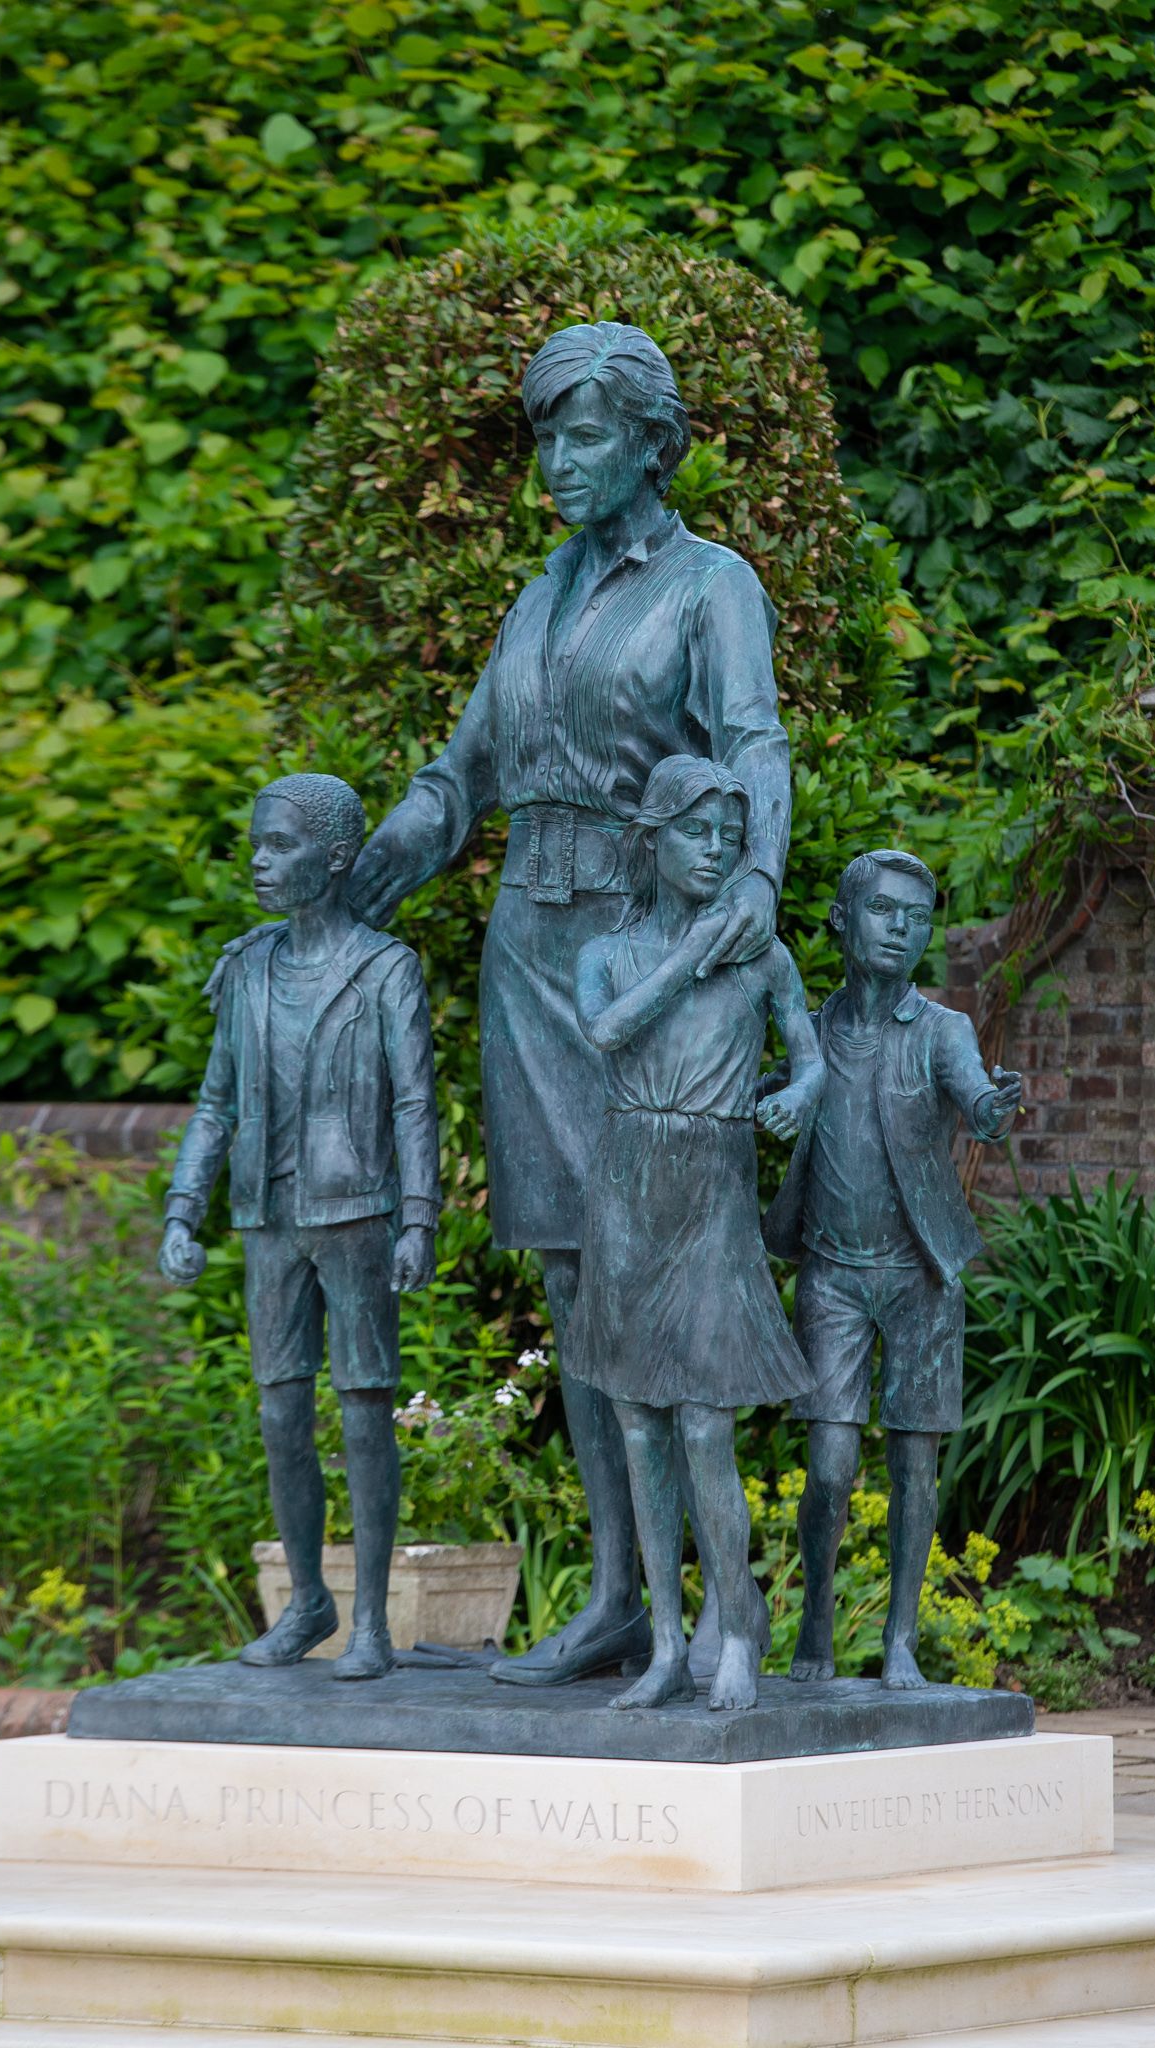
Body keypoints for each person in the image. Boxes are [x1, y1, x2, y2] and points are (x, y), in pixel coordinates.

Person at [345, 322, 792, 1687]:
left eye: (581, 433)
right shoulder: (534, 598)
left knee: (655, 1267)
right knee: (565, 1266)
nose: (555, 461)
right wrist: (373, 867)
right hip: (528, 946)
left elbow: (752, 738)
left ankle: (719, 1616)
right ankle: (615, 1598)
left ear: (651, 443)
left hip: (640, 949)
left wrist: (757, 877)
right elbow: (463, 766)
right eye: (543, 435)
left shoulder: (710, 586)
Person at [157, 773, 439, 1680]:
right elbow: (213, 1104)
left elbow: (414, 1104)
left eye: (279, 847)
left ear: (337, 857)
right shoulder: (245, 969)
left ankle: (369, 1621)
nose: (260, 863)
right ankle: (307, 1602)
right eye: (256, 846)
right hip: (268, 1216)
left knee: (363, 1411)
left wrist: (419, 1218)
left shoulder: (386, 969)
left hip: (354, 1211)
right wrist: (181, 1208)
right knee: (282, 1412)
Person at [567, 756, 823, 1712]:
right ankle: (667, 1647)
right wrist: (690, 952)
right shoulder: (605, 951)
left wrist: (797, 1094)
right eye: (696, 833)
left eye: (730, 835)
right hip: (628, 1182)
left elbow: (808, 1054)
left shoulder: (763, 954)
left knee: (707, 1423)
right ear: (654, 841)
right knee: (638, 1423)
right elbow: (605, 1032)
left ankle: (736, 1630)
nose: (716, 851)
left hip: (710, 1181)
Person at [762, 850, 1021, 1690]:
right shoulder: (810, 1028)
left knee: (915, 1462)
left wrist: (991, 1108)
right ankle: (815, 1627)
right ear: (842, 919)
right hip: (831, 1273)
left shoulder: (943, 1030)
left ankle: (901, 1638)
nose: (901, 928)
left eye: (916, 916)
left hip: (919, 1275)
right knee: (829, 1469)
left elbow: (975, 1095)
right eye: (883, 910)